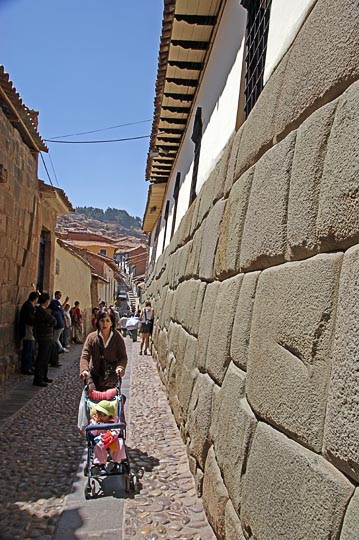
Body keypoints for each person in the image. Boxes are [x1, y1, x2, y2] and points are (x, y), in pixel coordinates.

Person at [79, 311, 127, 391]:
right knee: (93, 400)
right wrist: (84, 370)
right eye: (102, 321)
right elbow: (85, 355)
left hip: (112, 376)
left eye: (107, 320)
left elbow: (123, 357)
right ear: (98, 322)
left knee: (111, 401)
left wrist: (120, 367)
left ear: (111, 323)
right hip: (95, 375)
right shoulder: (92, 337)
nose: (104, 324)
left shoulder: (117, 337)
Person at [88, 400, 126, 472]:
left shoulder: (114, 420)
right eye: (99, 414)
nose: (101, 416)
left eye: (104, 415)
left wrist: (113, 433)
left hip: (112, 439)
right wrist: (96, 424)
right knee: (98, 446)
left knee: (120, 443)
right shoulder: (94, 421)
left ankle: (118, 462)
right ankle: (100, 464)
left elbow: (117, 429)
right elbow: (93, 433)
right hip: (100, 439)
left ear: (110, 415)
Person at [33, 293, 57, 386]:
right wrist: (49, 323)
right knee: (42, 358)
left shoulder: (42, 311)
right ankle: (38, 378)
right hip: (44, 336)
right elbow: (53, 321)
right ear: (46, 301)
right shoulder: (42, 311)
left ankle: (44, 376)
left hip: (46, 336)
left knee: (45, 357)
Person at [19, 291, 39, 374]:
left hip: (29, 329)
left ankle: (29, 366)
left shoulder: (29, 306)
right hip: (27, 329)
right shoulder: (28, 306)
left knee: (30, 349)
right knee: (28, 348)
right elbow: (30, 320)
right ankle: (26, 368)